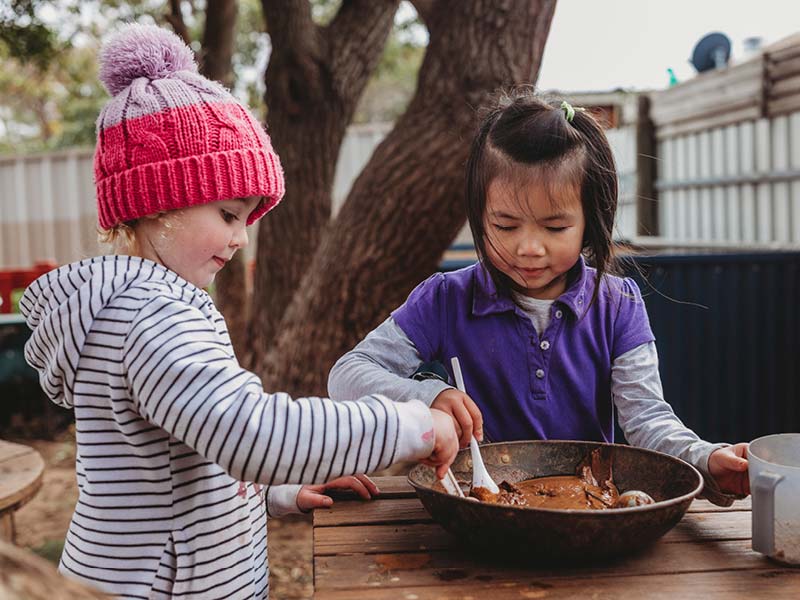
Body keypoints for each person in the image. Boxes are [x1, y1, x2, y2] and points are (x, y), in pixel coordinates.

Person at [19, 24, 458, 599]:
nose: (240, 239)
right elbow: (249, 432)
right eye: (228, 214)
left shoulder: (135, 305)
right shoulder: (149, 318)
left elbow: (192, 450)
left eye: (248, 219)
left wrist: (279, 487)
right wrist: (413, 423)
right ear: (157, 204)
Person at [328, 89, 749, 504]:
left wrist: (707, 458)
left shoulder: (618, 305)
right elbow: (347, 375)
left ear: (591, 220)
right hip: (481, 516)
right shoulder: (445, 299)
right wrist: (427, 397)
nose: (528, 248)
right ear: (479, 215)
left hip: (591, 520)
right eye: (506, 226)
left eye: (554, 227)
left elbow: (647, 420)